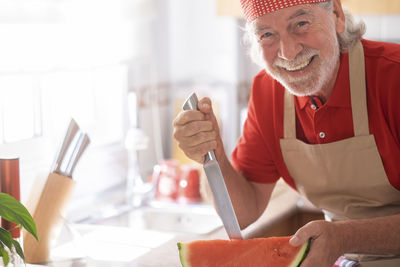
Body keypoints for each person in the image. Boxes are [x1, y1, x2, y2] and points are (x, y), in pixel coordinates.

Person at [173, 0, 400, 266]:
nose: (289, 53)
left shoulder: (393, 77)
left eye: (301, 24)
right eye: (267, 34)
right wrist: (211, 154)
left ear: (337, 15)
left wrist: (344, 237)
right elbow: (241, 214)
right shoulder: (266, 93)